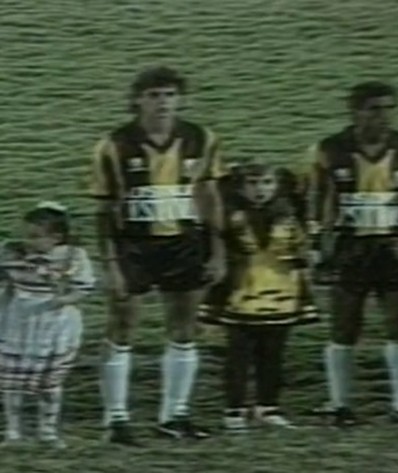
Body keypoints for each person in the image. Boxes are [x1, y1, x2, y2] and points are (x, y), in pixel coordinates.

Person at [89, 66, 228, 445]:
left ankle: (174, 415)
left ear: (180, 98)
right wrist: (111, 263)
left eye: (168, 95)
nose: (162, 102)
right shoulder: (114, 145)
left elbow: (208, 194)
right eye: (153, 95)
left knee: (184, 329)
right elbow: (103, 210)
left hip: (184, 243)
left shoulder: (201, 138)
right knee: (122, 327)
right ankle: (115, 419)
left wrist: (217, 249)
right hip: (133, 246)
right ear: (137, 100)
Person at [308, 81, 398, 427]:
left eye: (389, 108)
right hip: (352, 249)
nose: (384, 116)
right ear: (356, 111)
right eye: (375, 109)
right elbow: (320, 200)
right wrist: (320, 247)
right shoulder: (330, 149)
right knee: (344, 327)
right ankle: (339, 404)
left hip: (396, 249)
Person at [199, 163, 320, 432]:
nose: (260, 190)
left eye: (266, 183)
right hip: (241, 292)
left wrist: (306, 255)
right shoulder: (229, 214)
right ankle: (234, 410)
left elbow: (302, 246)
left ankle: (268, 406)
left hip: (282, 292)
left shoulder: (288, 213)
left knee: (274, 353)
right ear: (241, 187)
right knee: (238, 355)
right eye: (253, 184)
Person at [0, 203, 95, 449]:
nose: (28, 241)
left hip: (55, 325)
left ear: (56, 237)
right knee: (11, 382)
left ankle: (48, 430)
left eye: (35, 236)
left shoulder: (73, 257)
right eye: (26, 235)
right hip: (18, 323)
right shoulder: (11, 253)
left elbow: (82, 288)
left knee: (50, 383)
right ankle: (12, 431)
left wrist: (60, 300)